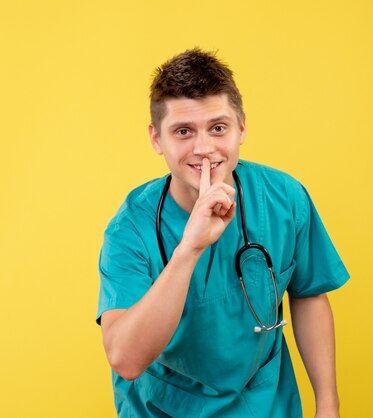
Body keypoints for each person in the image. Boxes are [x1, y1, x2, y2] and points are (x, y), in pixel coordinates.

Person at [96, 48, 350, 418]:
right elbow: (126, 359)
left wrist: (328, 405)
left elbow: (308, 295)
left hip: (266, 406)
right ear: (156, 139)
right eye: (183, 132)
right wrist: (190, 248)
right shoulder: (130, 229)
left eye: (218, 128)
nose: (204, 149)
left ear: (242, 127)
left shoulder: (283, 197)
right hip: (167, 409)